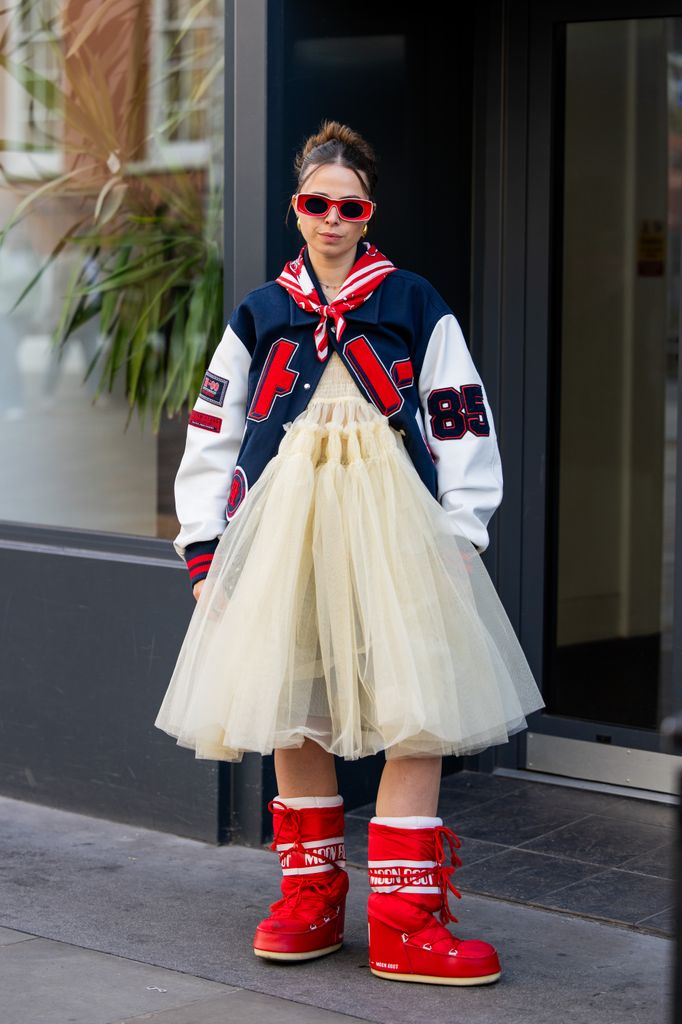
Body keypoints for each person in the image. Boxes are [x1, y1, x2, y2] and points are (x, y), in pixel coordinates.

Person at [154, 120, 545, 986]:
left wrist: (463, 528)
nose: (333, 219)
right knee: (293, 698)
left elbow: (458, 413)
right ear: (296, 209)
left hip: (396, 528)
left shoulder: (412, 302)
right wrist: (206, 548)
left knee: (419, 697)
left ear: (371, 213)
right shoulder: (261, 312)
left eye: (350, 206)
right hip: (284, 530)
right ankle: (311, 899)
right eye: (317, 203)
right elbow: (213, 431)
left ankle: (405, 920)